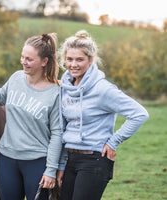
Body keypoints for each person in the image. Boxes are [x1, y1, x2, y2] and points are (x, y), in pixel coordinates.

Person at [56, 30, 149, 200]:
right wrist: (61, 164)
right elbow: (63, 127)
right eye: (69, 59)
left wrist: (114, 141)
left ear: (91, 60)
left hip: (94, 161)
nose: (73, 64)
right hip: (70, 159)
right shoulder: (65, 88)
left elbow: (139, 114)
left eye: (79, 59)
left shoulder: (103, 89)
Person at [0, 33, 62, 200]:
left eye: (29, 59)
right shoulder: (16, 78)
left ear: (44, 62)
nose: (23, 62)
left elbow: (57, 133)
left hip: (37, 162)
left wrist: (51, 170)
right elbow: (1, 97)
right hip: (7, 159)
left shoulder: (56, 92)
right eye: (22, 57)